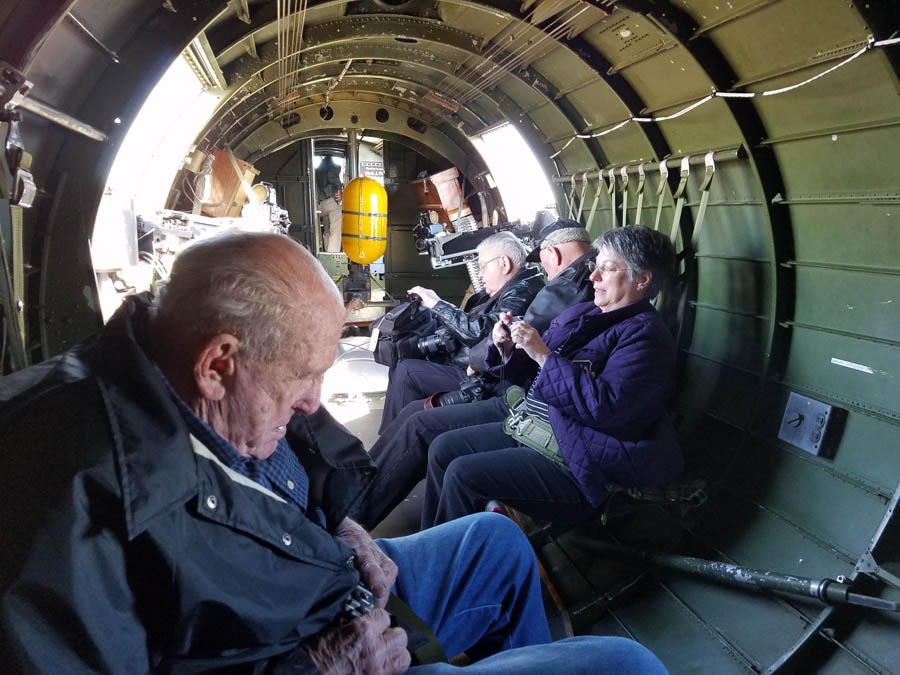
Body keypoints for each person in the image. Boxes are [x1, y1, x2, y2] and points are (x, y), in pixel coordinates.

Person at [0, 231, 667, 674]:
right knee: (627, 666)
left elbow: (300, 461)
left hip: (313, 577)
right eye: (302, 375)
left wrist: (341, 526)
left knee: (494, 538)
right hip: (300, 651)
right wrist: (319, 666)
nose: (316, 401)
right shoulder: (61, 500)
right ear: (218, 364)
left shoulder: (171, 353)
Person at [421, 225, 684, 529]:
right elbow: (530, 367)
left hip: (576, 463)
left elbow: (606, 407)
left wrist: (543, 356)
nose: (593, 278)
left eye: (607, 269)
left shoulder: (645, 337)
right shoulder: (584, 313)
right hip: (537, 428)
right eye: (595, 267)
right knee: (442, 450)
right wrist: (506, 348)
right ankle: (425, 548)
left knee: (463, 475)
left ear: (643, 279)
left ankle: (444, 568)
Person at [350, 219, 596, 530]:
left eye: (608, 271)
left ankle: (352, 519)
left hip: (515, 399)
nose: (599, 276)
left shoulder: (566, 287)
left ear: (554, 254)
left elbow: (509, 348)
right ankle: (361, 489)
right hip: (522, 397)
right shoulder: (576, 286)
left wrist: (481, 358)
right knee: (416, 414)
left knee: (422, 429)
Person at [380, 231, 542, 432]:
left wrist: (437, 304)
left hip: (481, 377)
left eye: (483, 267)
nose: (481, 275)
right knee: (402, 359)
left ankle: (392, 438)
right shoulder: (507, 289)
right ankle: (394, 436)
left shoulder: (521, 291)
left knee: (407, 371)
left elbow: (480, 332)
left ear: (504, 264)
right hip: (466, 364)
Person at [316, 154, 344, 252]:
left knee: (326, 230)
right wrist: (340, 189)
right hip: (331, 202)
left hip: (320, 205)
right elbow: (333, 178)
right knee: (335, 230)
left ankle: (326, 253)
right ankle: (332, 254)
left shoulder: (316, 170)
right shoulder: (334, 168)